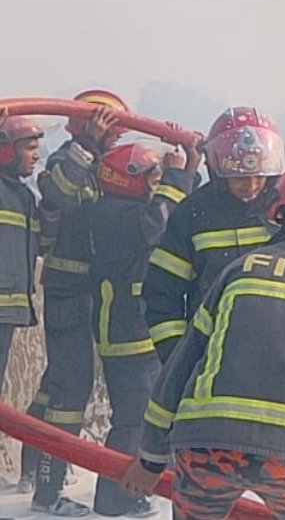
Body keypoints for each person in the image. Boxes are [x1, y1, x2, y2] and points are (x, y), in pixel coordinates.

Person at [122, 158, 285, 520]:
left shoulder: (238, 271)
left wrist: (150, 459)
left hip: (207, 447)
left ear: (281, 214)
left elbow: (181, 368)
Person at [18, 91, 126, 516]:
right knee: (70, 393)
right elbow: (60, 195)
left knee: (55, 386)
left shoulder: (100, 165)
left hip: (85, 293)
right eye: (110, 129)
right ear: (90, 127)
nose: (116, 138)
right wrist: (87, 146)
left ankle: (34, 467)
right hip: (69, 293)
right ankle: (47, 493)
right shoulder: (67, 161)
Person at [90, 140, 199, 517]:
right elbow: (158, 221)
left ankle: (151, 486)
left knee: (155, 418)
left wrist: (187, 171)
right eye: (151, 175)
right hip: (124, 337)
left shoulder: (128, 208)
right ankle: (114, 499)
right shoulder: (110, 212)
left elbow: (175, 210)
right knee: (132, 423)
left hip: (141, 333)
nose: (156, 183)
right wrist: (174, 177)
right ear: (126, 178)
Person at [143, 107, 285, 363]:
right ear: (217, 169)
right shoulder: (193, 214)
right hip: (211, 357)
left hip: (279, 354)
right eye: (239, 178)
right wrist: (178, 359)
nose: (251, 185)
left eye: (257, 176)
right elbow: (161, 293)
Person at [0, 108, 46, 385]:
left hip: (6, 311)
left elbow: (41, 243)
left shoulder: (24, 196)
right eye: (29, 148)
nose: (37, 155)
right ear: (6, 150)